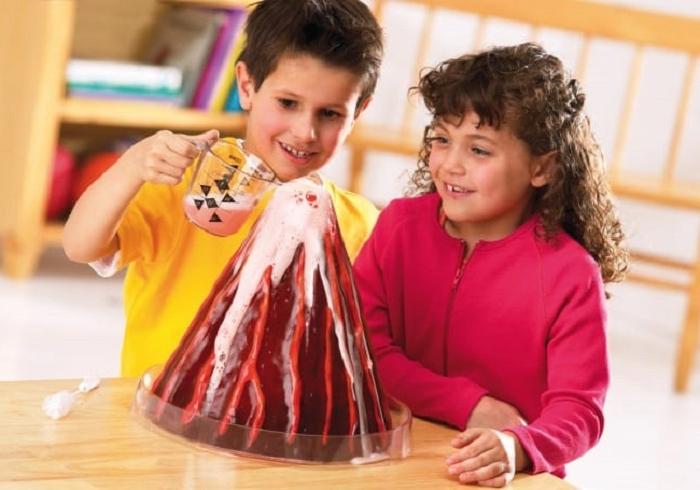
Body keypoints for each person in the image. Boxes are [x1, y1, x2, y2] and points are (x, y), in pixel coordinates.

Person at [353, 42, 628, 487]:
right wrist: (467, 405)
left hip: (502, 475)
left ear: (542, 168)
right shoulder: (399, 227)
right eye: (442, 139)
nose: (451, 165)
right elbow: (363, 354)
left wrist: (517, 446)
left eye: (479, 150)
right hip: (391, 455)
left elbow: (579, 411)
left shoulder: (570, 275)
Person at [63, 0, 383, 378]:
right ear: (247, 86)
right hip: (160, 400)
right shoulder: (189, 181)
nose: (305, 132)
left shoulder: (359, 223)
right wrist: (132, 165)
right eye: (287, 103)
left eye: (330, 113)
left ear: (358, 113)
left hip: (273, 412)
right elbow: (80, 246)